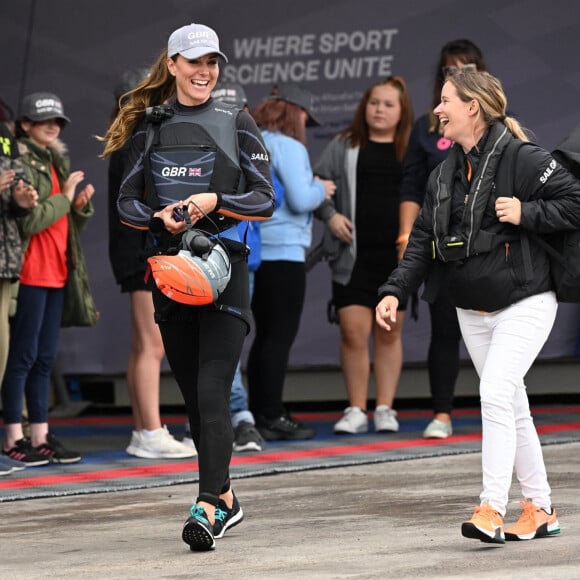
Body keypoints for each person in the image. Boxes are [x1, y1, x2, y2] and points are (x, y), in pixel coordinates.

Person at [376, 70, 580, 543]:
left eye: (445, 101)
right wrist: (393, 290)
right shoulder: (443, 172)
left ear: (473, 107)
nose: (437, 110)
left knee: (493, 392)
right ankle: (541, 507)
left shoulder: (523, 157)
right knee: (512, 403)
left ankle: (492, 507)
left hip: (525, 301)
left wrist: (527, 213)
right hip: (472, 308)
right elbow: (423, 239)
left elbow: (575, 201)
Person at [99, 23, 274, 551]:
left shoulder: (237, 119)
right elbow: (126, 204)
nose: (205, 72)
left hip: (225, 268)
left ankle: (206, 504)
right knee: (197, 404)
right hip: (169, 275)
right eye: (194, 62)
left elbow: (265, 199)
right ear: (172, 64)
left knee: (211, 387)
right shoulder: (149, 125)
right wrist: (157, 219)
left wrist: (214, 202)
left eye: (212, 63)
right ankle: (225, 498)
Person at [398, 39, 489, 439]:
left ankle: (501, 411)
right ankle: (442, 414)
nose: (459, 74)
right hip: (441, 242)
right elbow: (412, 187)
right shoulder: (427, 126)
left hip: (489, 243)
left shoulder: (501, 124)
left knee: (497, 330)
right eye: (452, 69)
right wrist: (406, 234)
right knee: (445, 329)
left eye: (467, 67)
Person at [313, 76, 413, 434]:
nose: (380, 110)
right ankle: (356, 408)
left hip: (395, 259)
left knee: (389, 333)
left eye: (388, 105)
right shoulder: (345, 144)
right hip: (351, 257)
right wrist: (331, 216)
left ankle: (385, 407)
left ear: (402, 112)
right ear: (363, 107)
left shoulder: (411, 148)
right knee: (353, 333)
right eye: (374, 103)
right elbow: (315, 186)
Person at [1, 92, 94, 466]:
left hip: (56, 270)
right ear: (24, 125)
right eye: (43, 121)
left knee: (43, 359)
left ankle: (39, 435)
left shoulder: (55, 159)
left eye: (57, 121)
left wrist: (78, 207)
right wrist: (65, 197)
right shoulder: (17, 159)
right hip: (30, 270)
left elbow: (64, 225)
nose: (53, 126)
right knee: (21, 357)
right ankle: (14, 437)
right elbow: (32, 220)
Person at [108, 68, 195, 460]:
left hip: (139, 249)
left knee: (143, 345)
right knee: (151, 345)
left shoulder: (134, 138)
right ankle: (149, 431)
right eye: (154, 94)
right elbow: (140, 202)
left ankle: (143, 429)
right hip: (141, 250)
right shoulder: (135, 140)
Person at [247, 83, 335, 441]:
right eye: (304, 115)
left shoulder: (253, 142)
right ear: (294, 112)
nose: (305, 122)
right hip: (284, 254)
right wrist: (322, 189)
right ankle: (271, 415)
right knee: (278, 337)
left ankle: (259, 411)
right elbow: (300, 200)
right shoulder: (291, 146)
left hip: (255, 249)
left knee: (264, 336)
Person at [211, 81, 264, 453]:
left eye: (236, 110)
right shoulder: (195, 144)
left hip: (241, 256)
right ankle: (223, 417)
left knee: (230, 342)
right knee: (206, 343)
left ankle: (239, 417)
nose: (230, 118)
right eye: (223, 110)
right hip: (195, 256)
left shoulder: (253, 146)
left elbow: (263, 200)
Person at [0, 100, 38, 475]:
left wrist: (22, 200)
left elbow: (15, 180)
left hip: (5, 262)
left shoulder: (5, 134)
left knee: (3, 354)